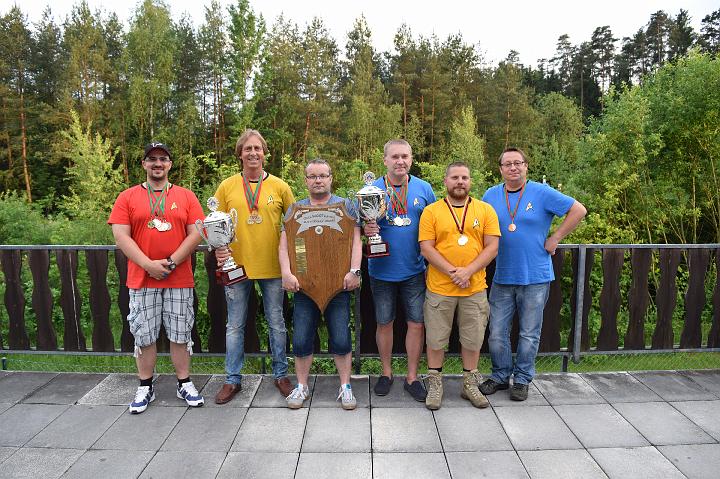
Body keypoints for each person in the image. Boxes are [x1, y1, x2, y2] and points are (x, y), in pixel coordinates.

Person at [481, 148, 587, 401]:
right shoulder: (490, 195)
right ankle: (500, 375)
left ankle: (522, 379)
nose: (513, 167)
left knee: (529, 333)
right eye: (507, 164)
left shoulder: (542, 192)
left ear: (526, 166)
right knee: (496, 332)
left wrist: (556, 237)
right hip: (502, 275)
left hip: (535, 276)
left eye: (518, 163)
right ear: (500, 169)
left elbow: (579, 210)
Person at [109, 142, 205, 414]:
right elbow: (120, 236)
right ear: (144, 164)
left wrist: (171, 262)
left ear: (170, 164)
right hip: (142, 278)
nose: (158, 163)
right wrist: (148, 265)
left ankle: (184, 383)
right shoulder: (127, 197)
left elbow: (197, 233)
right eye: (152, 159)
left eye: (163, 158)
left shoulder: (186, 196)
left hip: (178, 277)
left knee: (180, 333)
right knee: (144, 334)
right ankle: (145, 386)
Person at [213, 129, 296, 404]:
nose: (252, 153)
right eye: (247, 149)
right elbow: (214, 225)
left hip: (273, 267)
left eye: (257, 148)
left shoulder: (280, 186)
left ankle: (281, 375)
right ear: (240, 154)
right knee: (234, 326)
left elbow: (294, 225)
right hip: (237, 267)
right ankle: (232, 379)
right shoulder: (226, 187)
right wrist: (218, 247)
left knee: (277, 323)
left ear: (264, 153)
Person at [279, 159, 362, 410]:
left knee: (341, 338)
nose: (318, 180)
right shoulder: (295, 209)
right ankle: (302, 386)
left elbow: (356, 241)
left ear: (330, 178)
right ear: (306, 181)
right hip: (304, 285)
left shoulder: (346, 206)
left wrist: (355, 271)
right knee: (301, 339)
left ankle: (345, 386)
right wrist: (286, 273)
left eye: (322, 176)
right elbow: (284, 245)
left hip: (339, 284)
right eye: (313, 176)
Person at [418, 162, 500, 410]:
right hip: (440, 288)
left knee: (473, 339)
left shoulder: (485, 210)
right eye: (455, 177)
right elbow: (426, 248)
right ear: (445, 181)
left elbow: (492, 247)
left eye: (464, 177)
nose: (460, 182)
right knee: (435, 339)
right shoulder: (431, 211)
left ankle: (469, 384)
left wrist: (468, 271)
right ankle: (435, 384)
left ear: (470, 181)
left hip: (474, 288)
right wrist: (454, 272)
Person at [363, 139, 436, 401]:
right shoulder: (370, 190)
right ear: (385, 160)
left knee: (416, 324)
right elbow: (356, 227)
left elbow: (435, 227)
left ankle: (412, 377)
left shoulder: (424, 188)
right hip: (381, 270)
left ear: (411, 159)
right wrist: (366, 229)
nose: (400, 161)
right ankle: (386, 373)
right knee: (384, 323)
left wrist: (431, 263)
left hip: (415, 270)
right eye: (395, 156)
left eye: (405, 156)